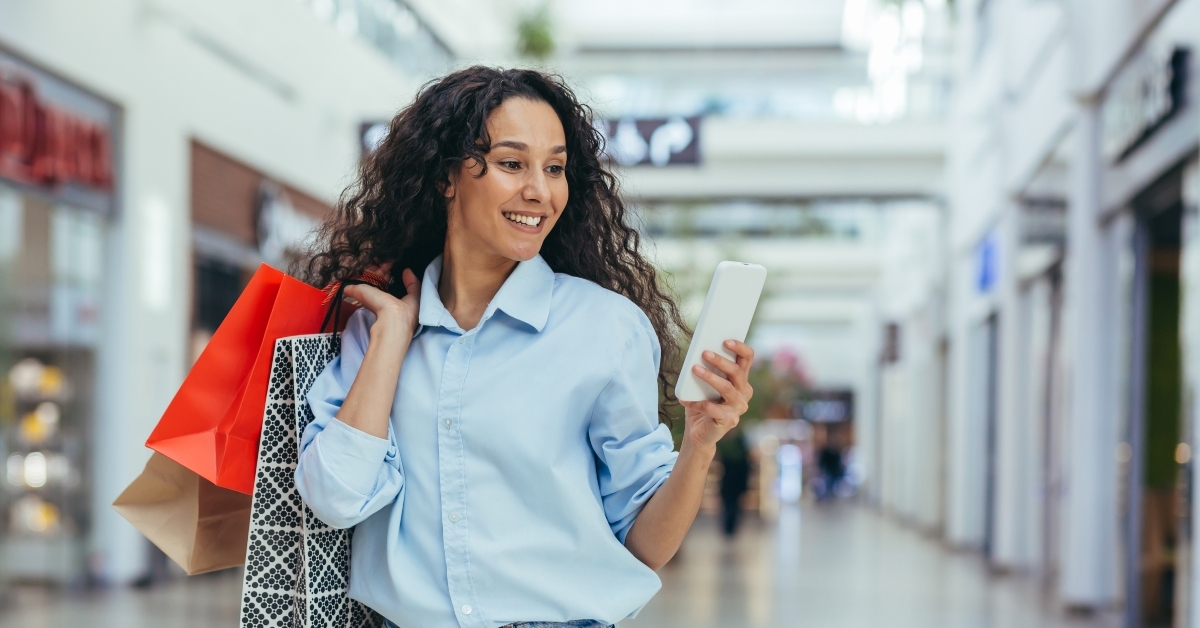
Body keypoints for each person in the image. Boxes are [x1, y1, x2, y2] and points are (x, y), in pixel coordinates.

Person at [293, 67, 755, 628]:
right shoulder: (374, 331)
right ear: (445, 178)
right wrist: (391, 340)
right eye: (512, 163)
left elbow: (645, 546)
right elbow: (337, 499)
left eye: (554, 168)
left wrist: (700, 445)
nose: (540, 190)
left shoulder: (605, 328)